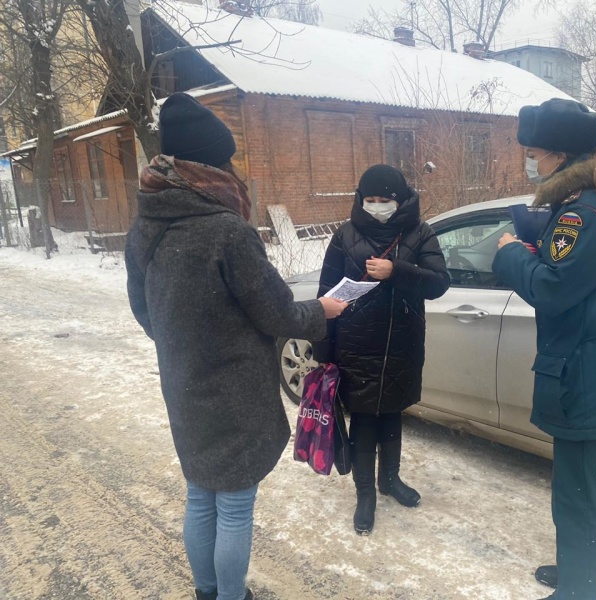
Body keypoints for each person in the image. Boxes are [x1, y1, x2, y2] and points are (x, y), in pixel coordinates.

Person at [125, 92, 347, 600]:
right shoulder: (228, 231)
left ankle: (208, 592)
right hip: (235, 390)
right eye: (227, 160)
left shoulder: (145, 227)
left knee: (201, 496)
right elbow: (277, 314)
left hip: (183, 385)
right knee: (235, 504)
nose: (234, 169)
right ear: (209, 168)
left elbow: (143, 308)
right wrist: (323, 314)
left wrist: (183, 344)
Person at [491, 98, 596, 600]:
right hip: (590, 361)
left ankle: (581, 589)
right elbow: (577, 274)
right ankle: (584, 571)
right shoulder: (588, 202)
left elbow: (554, 289)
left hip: (582, 367)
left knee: (577, 490)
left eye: (533, 153)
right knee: (587, 483)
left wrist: (511, 255)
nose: (529, 162)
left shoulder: (582, 212)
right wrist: (543, 236)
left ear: (558, 155)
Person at [313, 164, 450, 535]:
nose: (377, 206)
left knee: (391, 415)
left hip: (400, 345)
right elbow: (326, 293)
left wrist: (397, 271)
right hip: (355, 346)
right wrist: (323, 349)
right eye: (370, 199)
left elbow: (439, 282)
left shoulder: (420, 232)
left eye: (384, 199)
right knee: (363, 421)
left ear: (399, 199)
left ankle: (390, 480)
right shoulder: (345, 235)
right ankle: (365, 494)